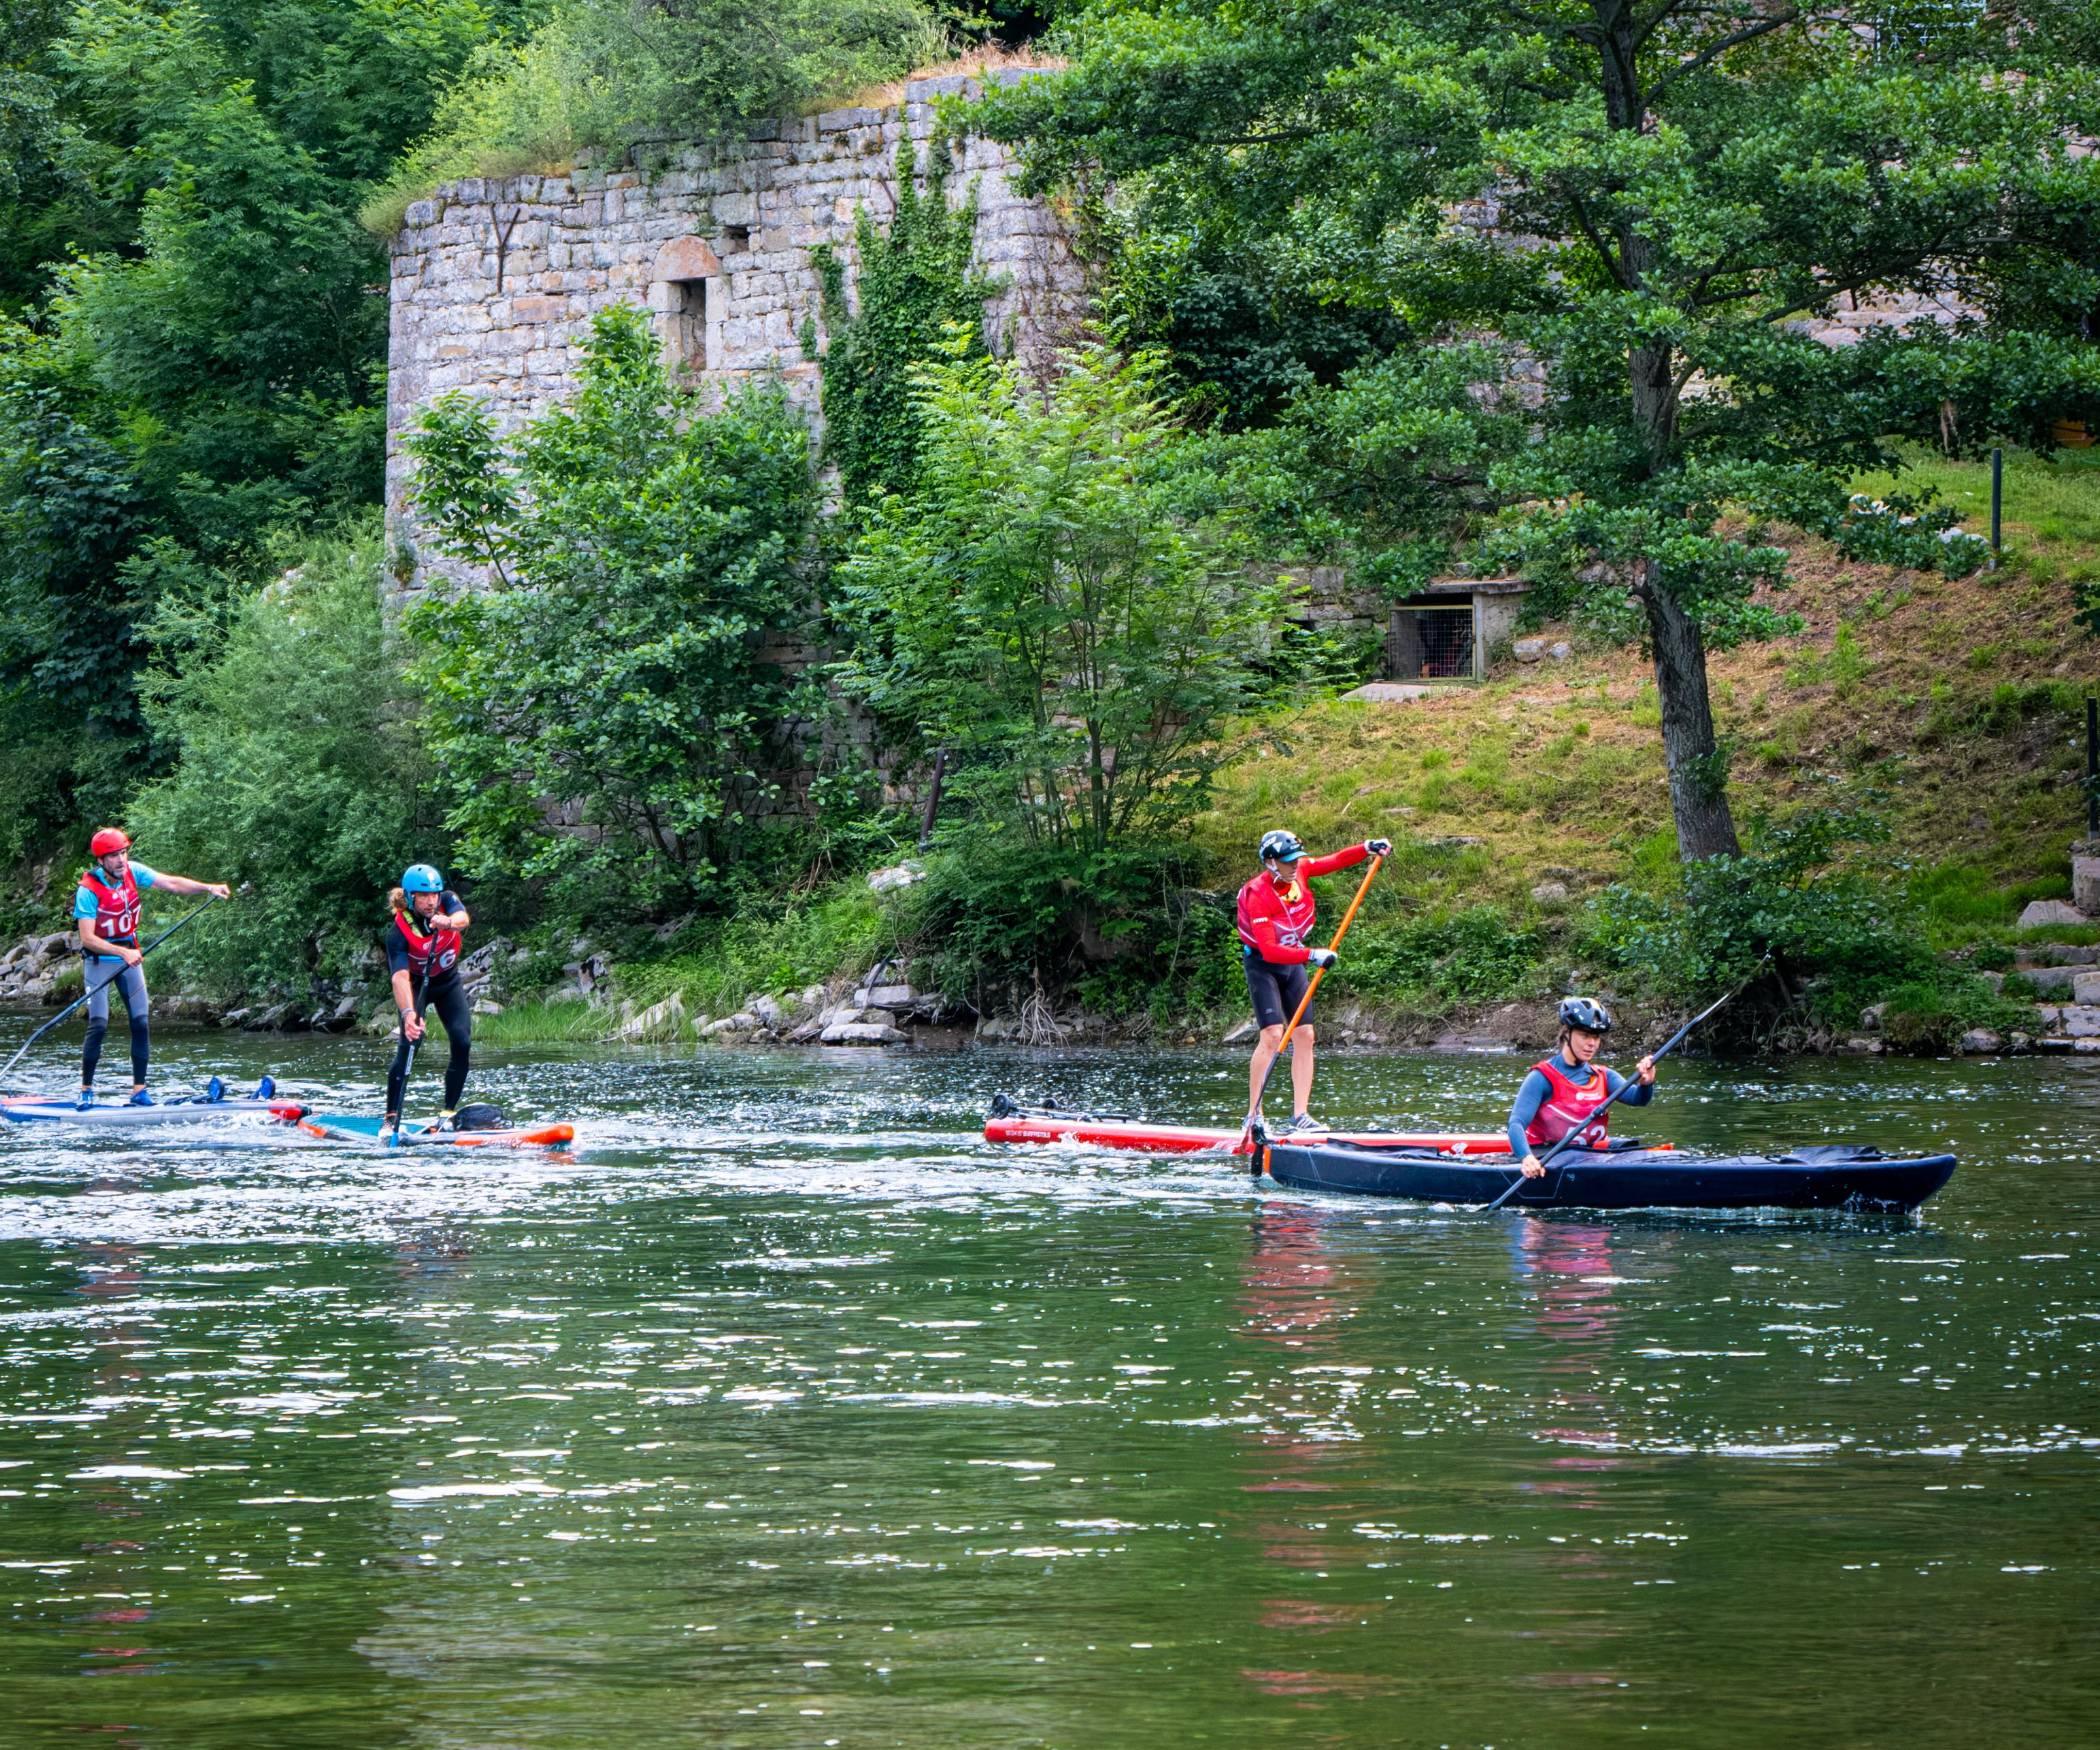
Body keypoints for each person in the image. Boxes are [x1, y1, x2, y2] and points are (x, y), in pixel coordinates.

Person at [1236, 828, 1391, 1131]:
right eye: (1287, 860)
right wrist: (1311, 956)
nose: (1295, 865)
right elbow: (1268, 950)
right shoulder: (1258, 895)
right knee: (1271, 1036)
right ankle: (1254, 1115)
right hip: (1263, 965)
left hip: (1293, 960)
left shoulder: (1299, 873)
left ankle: (1300, 1116)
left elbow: (1331, 861)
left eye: (1296, 859)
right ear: (1270, 862)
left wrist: (1366, 848)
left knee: (1305, 1035)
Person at [73, 828, 231, 1108]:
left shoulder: (133, 872)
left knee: (141, 1022)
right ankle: (86, 1089)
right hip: (100, 961)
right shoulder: (87, 891)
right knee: (98, 1024)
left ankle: (139, 1091)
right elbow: (88, 939)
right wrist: (123, 951)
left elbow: (171, 883)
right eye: (113, 856)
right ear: (101, 861)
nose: (121, 860)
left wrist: (208, 887)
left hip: (128, 958)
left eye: (123, 853)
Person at [1509, 997, 1657, 1176]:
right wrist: (1526, 1158)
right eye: (1585, 1035)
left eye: (1596, 1036)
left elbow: (1638, 1099)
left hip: (1591, 1156)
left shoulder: (1604, 1076)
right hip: (1548, 1155)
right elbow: (1516, 1123)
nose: (1592, 1043)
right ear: (1566, 1034)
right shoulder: (1541, 1077)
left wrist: (1646, 1083)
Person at [383, 863, 474, 1138]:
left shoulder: (447, 901)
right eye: (423, 895)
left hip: (447, 983)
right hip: (416, 987)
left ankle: (447, 1113)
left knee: (462, 1040)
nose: (431, 900)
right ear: (410, 897)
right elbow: (399, 977)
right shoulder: (398, 932)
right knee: (409, 1046)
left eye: (434, 894)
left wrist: (448, 922)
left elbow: (463, 919)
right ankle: (390, 1118)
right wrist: (408, 1013)